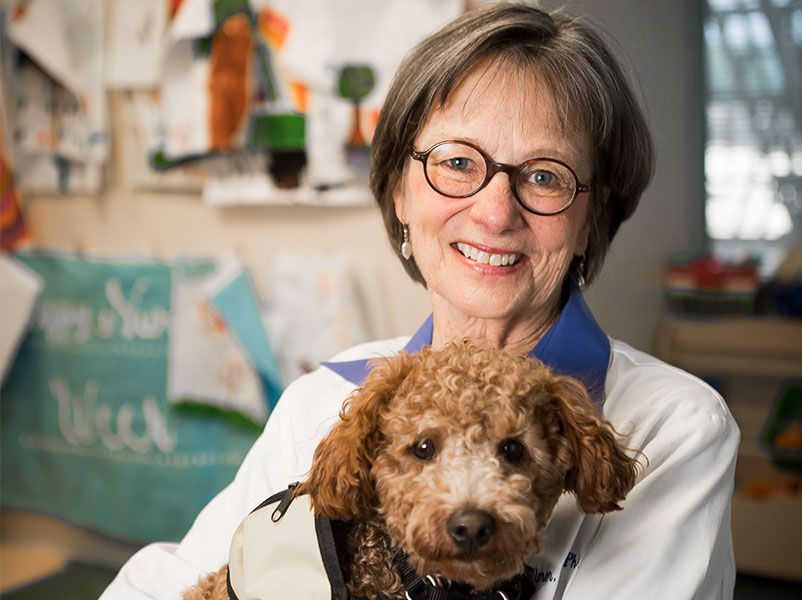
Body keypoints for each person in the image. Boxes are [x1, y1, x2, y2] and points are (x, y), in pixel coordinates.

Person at [101, 4, 739, 599]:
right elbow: (171, 580)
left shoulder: (676, 428)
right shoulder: (322, 399)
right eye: (457, 162)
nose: (494, 213)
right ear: (400, 194)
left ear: (591, 218)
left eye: (544, 175)